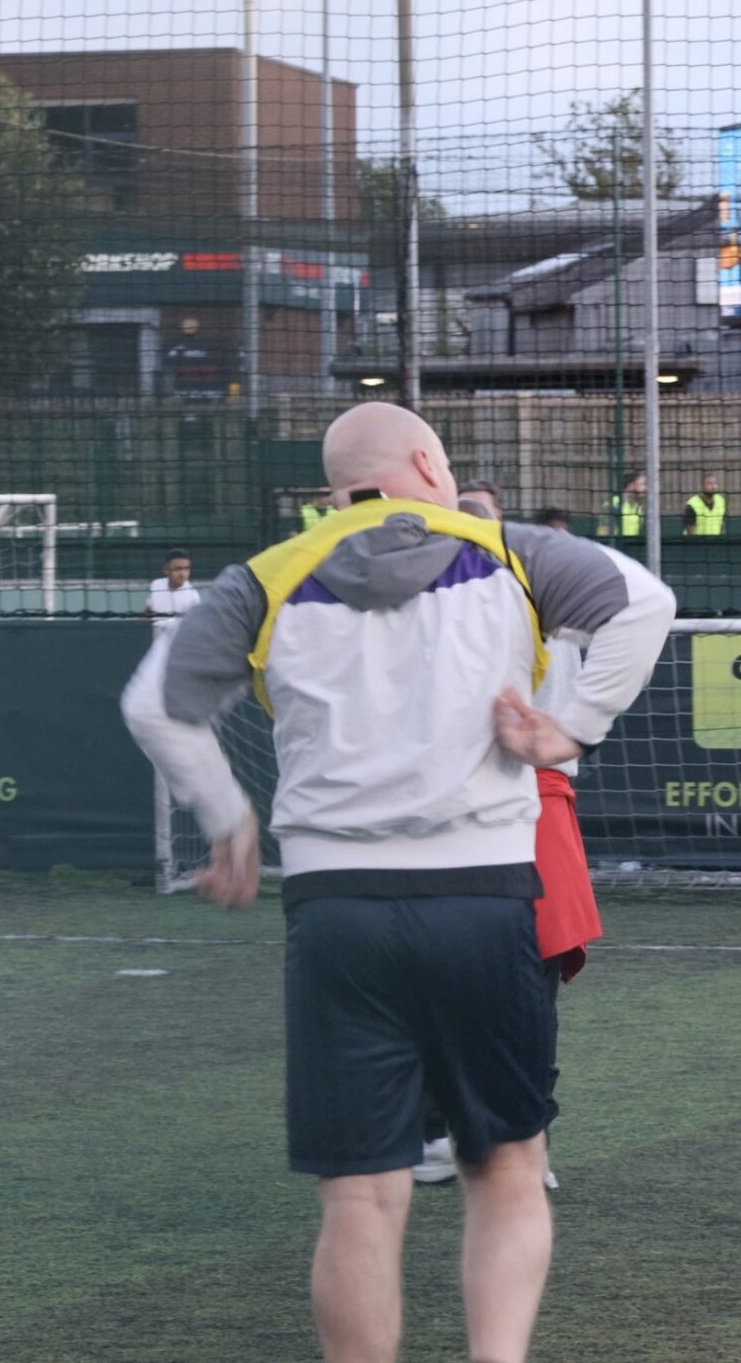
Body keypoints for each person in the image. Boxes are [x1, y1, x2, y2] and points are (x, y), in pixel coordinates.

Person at [123, 402, 672, 1363]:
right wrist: (574, 726)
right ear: (427, 461)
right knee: (506, 1169)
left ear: (336, 488)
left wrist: (229, 818)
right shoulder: (511, 550)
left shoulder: (266, 575)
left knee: (362, 1194)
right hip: (485, 898)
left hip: (337, 910)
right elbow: (646, 603)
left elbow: (153, 704)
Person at [413, 483, 603, 1192]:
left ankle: (495, 1134)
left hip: (512, 803)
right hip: (487, 805)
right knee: (480, 980)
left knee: (506, 982)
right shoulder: (520, 602)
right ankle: (467, 1132)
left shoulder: (480, 608)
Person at [145, 551, 200, 617]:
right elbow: (148, 610)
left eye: (186, 569)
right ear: (166, 569)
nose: (182, 574)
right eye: (177, 569)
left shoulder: (193, 596)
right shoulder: (156, 584)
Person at [601, 472, 645, 538]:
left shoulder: (637, 506)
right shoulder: (614, 503)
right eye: (642, 484)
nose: (645, 488)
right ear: (631, 485)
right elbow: (606, 530)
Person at [685, 472, 725, 537]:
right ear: (702, 486)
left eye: (715, 483)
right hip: (699, 542)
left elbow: (722, 525)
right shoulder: (692, 504)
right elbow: (690, 532)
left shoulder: (721, 501)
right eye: (709, 483)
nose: (713, 486)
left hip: (715, 542)